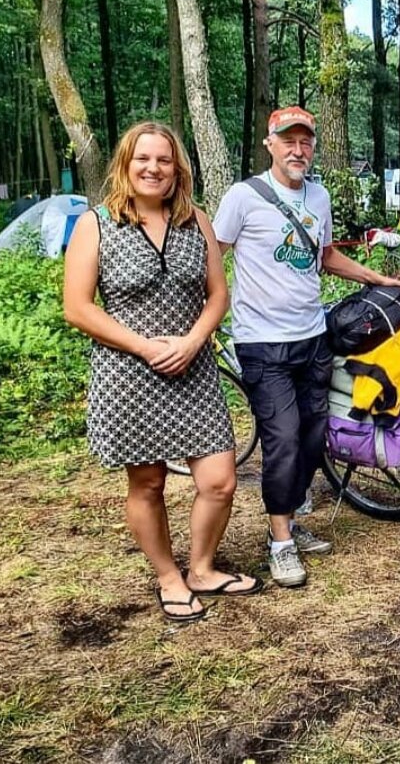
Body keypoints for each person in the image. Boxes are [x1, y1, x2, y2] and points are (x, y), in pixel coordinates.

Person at [63, 122, 260, 623]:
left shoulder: (196, 221)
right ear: (126, 165)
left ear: (178, 169)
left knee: (219, 480)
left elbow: (219, 294)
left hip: (193, 368)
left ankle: (202, 568)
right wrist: (144, 347)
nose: (153, 168)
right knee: (148, 483)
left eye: (164, 160)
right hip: (128, 372)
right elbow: (78, 308)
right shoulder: (97, 224)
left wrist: (193, 340)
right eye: (143, 159)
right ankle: (169, 576)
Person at [212, 106, 400, 589]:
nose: (298, 150)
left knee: (313, 435)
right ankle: (280, 544)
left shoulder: (317, 196)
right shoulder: (243, 197)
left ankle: (290, 519)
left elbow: (325, 257)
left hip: (311, 335)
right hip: (261, 340)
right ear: (270, 145)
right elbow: (213, 256)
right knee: (281, 436)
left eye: (306, 142)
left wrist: (376, 276)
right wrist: (201, 321)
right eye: (288, 141)